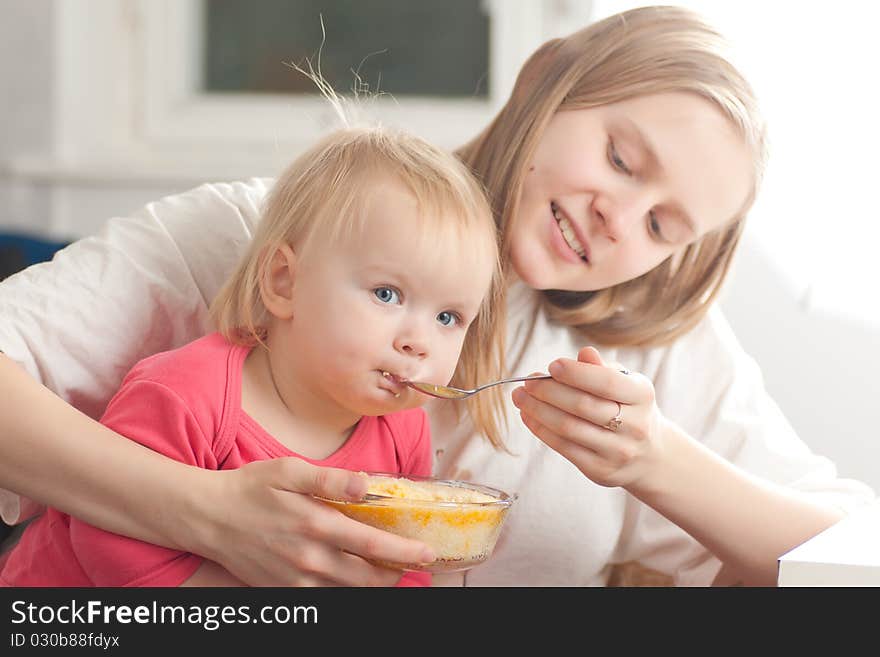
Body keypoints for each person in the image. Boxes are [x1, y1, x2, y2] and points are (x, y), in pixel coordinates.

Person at [0, 6, 874, 587]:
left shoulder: (655, 354)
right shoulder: (270, 235)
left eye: (661, 227)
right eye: (619, 158)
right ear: (540, 84)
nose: (619, 220)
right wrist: (206, 515)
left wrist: (659, 463)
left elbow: (853, 569)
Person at [0, 125, 503, 586]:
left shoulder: (403, 431)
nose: (420, 342)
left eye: (448, 318)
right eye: (387, 294)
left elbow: (409, 559)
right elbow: (106, 541)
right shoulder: (186, 393)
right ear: (284, 281)